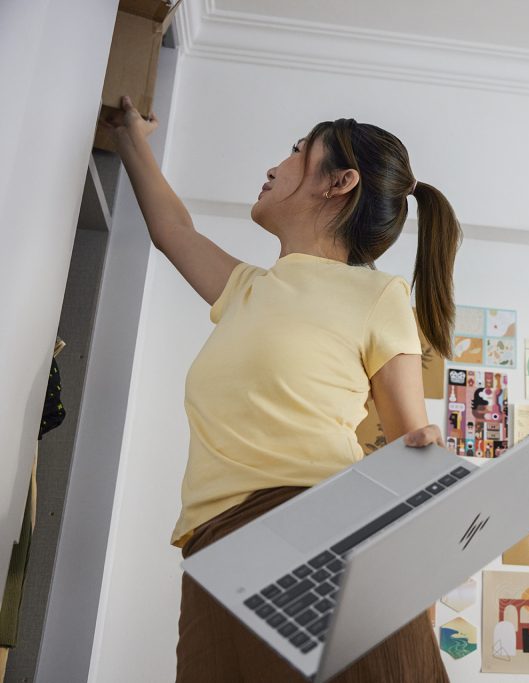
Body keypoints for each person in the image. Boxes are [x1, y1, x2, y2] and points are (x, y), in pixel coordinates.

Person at [102, 96, 460, 682]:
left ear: (339, 183)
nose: (274, 166)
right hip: (214, 544)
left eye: (296, 151)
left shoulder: (376, 296)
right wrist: (128, 136)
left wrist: (415, 604)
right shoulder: (246, 288)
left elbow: (409, 448)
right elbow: (171, 231)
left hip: (320, 525)